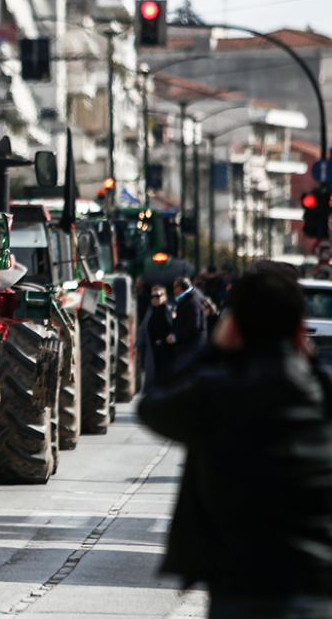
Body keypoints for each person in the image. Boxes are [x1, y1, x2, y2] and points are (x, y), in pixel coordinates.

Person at [138, 264, 332, 618]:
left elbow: (153, 403)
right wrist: (311, 362)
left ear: (234, 328)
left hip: (240, 590)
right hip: (319, 591)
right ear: (300, 330)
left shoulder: (216, 393)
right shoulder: (319, 396)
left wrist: (214, 349)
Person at [137, 284, 175, 388]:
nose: (154, 299)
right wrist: (138, 346)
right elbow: (143, 330)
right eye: (152, 297)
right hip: (152, 349)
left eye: (157, 296)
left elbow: (176, 327)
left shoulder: (170, 311)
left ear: (164, 297)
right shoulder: (149, 312)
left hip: (167, 349)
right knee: (152, 378)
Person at [167, 275, 208, 370]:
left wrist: (175, 337)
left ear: (180, 288)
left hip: (193, 347)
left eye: (174, 288)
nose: (173, 291)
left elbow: (194, 327)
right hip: (188, 346)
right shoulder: (186, 300)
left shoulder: (192, 302)